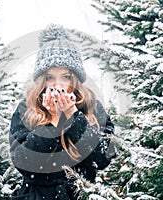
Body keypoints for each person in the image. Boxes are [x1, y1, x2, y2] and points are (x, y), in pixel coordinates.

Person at [9, 24, 116, 200]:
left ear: (75, 79)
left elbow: (102, 158)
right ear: (41, 80)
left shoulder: (92, 107)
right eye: (50, 77)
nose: (57, 85)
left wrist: (73, 116)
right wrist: (52, 122)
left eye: (65, 77)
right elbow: (23, 162)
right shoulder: (26, 109)